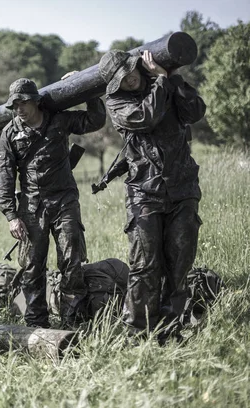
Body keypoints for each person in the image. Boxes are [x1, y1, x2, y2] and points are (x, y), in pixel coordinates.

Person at [98, 50, 206, 342]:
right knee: (145, 265)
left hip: (183, 188)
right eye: (122, 79)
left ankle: (171, 330)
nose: (129, 79)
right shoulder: (117, 102)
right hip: (144, 193)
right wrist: (161, 82)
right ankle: (138, 333)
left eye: (130, 72)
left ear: (137, 66)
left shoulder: (166, 84)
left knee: (180, 263)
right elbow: (146, 117)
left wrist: (171, 78)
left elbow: (195, 111)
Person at [0, 77, 106, 328]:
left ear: (35, 101)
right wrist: (12, 216)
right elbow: (4, 177)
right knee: (33, 267)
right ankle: (36, 324)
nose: (19, 109)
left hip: (65, 201)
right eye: (14, 105)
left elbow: (95, 120)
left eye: (23, 102)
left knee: (71, 259)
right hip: (31, 208)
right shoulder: (10, 133)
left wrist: (87, 89)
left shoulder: (58, 120)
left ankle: (73, 321)